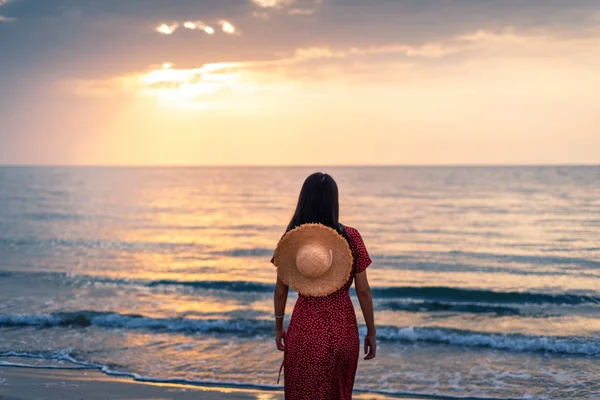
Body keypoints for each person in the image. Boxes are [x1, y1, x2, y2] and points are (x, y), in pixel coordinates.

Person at [272, 172, 376, 400]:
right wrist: (371, 330)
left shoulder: (292, 241)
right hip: (343, 330)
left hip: (305, 330)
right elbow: (363, 290)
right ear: (334, 201)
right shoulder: (351, 237)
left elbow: (281, 291)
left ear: (304, 200)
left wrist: (279, 326)